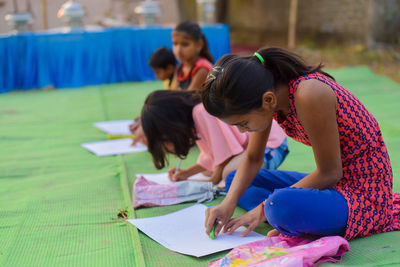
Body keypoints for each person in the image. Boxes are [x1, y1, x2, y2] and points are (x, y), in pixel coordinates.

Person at [202, 47, 400, 240]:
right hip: (334, 186)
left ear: (268, 99)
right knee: (234, 179)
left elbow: (330, 173)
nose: (242, 130)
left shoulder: (309, 93)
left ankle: (285, 216)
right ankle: (292, 216)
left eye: (243, 123)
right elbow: (253, 158)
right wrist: (228, 204)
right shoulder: (270, 102)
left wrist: (262, 209)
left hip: (364, 195)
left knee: (277, 205)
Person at [140, 90, 288, 185]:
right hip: (253, 149)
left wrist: (209, 183)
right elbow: (212, 156)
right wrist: (187, 173)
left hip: (271, 147)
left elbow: (226, 156)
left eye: (165, 138)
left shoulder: (201, 112)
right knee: (208, 170)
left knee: (228, 173)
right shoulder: (194, 119)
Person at [172, 21, 213, 91]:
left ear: (199, 45)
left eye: (185, 44)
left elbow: (189, 99)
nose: (178, 50)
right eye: (175, 44)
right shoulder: (180, 69)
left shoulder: (202, 69)